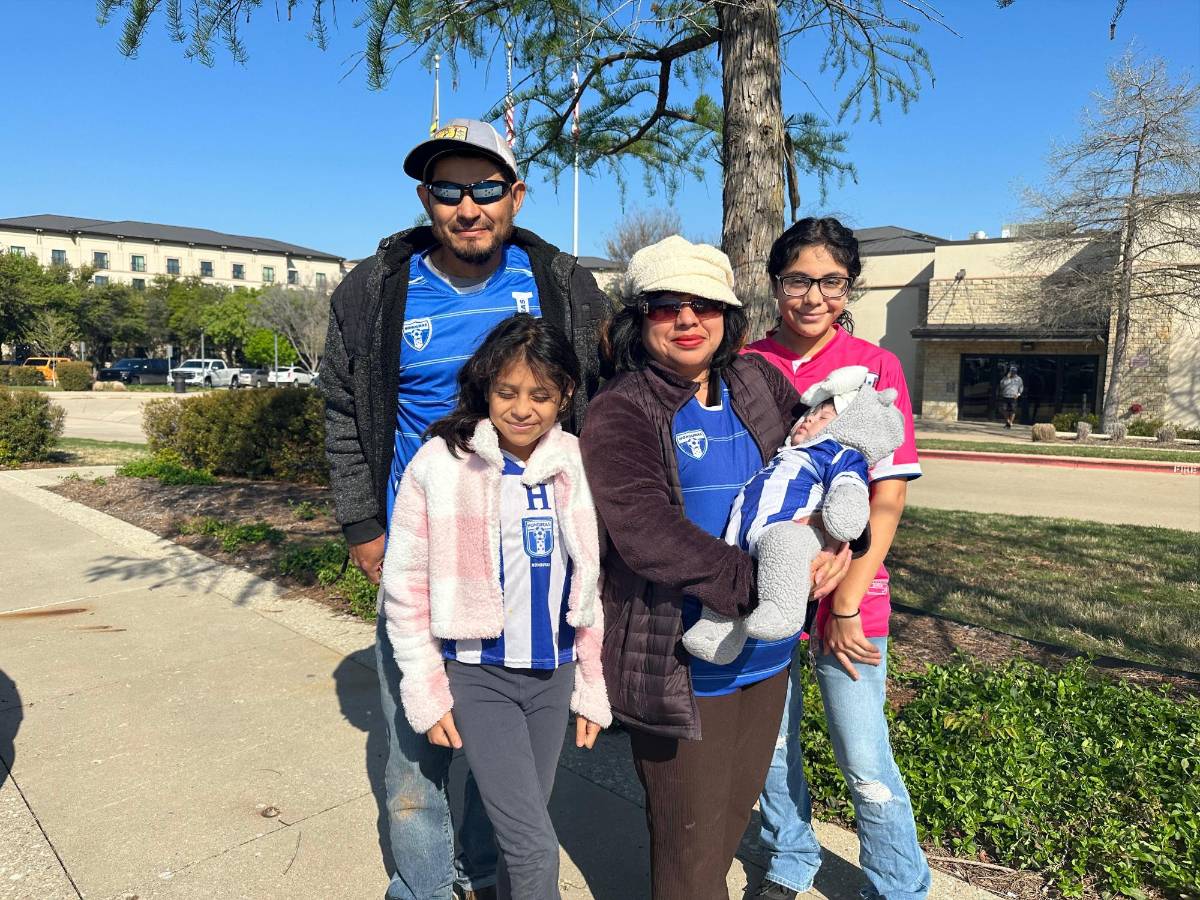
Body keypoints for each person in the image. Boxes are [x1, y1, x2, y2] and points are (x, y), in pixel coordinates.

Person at [320, 117, 608, 900]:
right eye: (448, 189)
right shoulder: (377, 288)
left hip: (530, 566)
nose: (468, 206)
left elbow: (607, 395)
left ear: (515, 194)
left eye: (486, 187)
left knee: (501, 757)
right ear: (426, 198)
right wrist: (360, 525)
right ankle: (420, 887)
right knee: (416, 751)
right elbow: (343, 409)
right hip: (421, 553)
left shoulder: (559, 284)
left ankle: (484, 875)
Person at [579, 235, 853, 900]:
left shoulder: (757, 381)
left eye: (705, 305)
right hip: (680, 663)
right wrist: (767, 584)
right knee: (690, 848)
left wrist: (833, 540)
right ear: (638, 320)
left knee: (729, 821)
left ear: (728, 318)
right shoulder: (622, 408)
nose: (686, 319)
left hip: (765, 657)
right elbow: (646, 534)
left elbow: (819, 457)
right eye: (665, 306)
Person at [380, 314, 610, 900]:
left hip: (552, 676)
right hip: (481, 677)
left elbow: (592, 583)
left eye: (541, 395)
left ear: (565, 395)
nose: (522, 408)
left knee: (518, 836)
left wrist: (589, 681)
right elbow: (404, 587)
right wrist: (426, 689)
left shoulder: (578, 463)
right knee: (535, 845)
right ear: (485, 388)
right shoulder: (440, 464)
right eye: (507, 392)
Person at [745, 217, 930, 900]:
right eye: (798, 279)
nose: (814, 295)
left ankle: (899, 884)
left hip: (852, 597)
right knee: (771, 745)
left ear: (848, 287)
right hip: (766, 583)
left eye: (831, 281)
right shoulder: (746, 363)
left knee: (862, 752)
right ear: (775, 284)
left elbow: (885, 499)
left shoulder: (874, 367)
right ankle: (790, 858)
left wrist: (846, 598)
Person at [682, 366, 906, 665]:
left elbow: (850, 485)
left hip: (794, 529)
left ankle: (783, 610)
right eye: (808, 415)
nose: (809, 419)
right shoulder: (785, 453)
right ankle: (717, 633)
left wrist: (843, 520)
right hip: (746, 530)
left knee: (783, 546)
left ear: (849, 425)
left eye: (823, 417)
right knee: (729, 561)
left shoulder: (837, 452)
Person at [999, 364, 1024, 428]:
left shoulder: (1019, 379)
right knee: (1004, 410)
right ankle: (1008, 421)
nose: (1012, 373)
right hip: (1005, 395)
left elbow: (1021, 387)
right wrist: (1007, 378)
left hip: (1013, 396)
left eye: (1014, 372)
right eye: (1011, 372)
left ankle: (1010, 423)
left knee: (1013, 410)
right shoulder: (1005, 378)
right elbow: (1002, 386)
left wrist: (1018, 394)